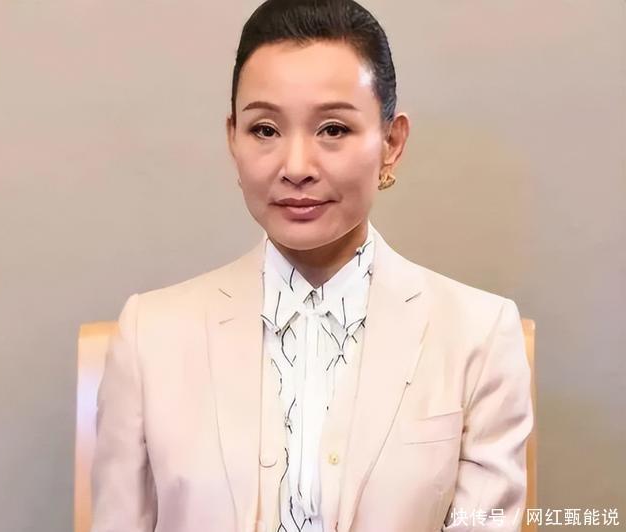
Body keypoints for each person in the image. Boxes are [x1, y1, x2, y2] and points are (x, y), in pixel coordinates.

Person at [90, 0, 534, 531]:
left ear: (391, 143)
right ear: (233, 138)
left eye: (333, 129)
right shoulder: (150, 336)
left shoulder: (478, 335)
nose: (296, 167)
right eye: (265, 130)